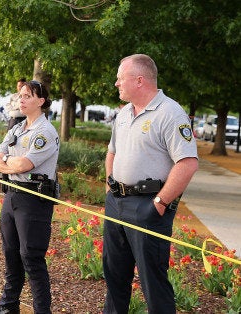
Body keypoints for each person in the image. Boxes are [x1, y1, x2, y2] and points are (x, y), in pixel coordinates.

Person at [103, 54, 198, 313]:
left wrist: (159, 202)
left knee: (152, 283)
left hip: (148, 205)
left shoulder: (170, 113)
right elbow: (112, 151)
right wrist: (110, 185)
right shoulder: (122, 115)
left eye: (120, 78)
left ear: (139, 80)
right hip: (117, 203)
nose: (116, 84)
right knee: (114, 277)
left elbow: (187, 163)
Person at [0, 80, 59, 314]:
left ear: (41, 101)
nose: (22, 100)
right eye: (21, 96)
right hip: (12, 197)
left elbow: (26, 163)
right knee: (11, 255)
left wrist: (9, 162)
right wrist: (11, 164)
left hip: (34, 200)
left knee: (32, 259)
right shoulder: (17, 129)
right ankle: (8, 307)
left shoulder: (45, 132)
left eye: (28, 96)